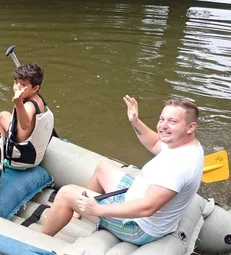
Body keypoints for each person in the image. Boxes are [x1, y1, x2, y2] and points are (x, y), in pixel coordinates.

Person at [41, 96, 204, 245]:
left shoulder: (179, 166)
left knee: (66, 193)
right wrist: (135, 120)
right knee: (103, 167)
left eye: (172, 122)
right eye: (162, 119)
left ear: (190, 127)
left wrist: (98, 209)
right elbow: (155, 143)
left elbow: (147, 208)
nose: (163, 126)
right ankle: (78, 212)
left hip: (138, 226)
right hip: (135, 197)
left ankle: (39, 239)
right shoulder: (186, 145)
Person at [0, 63, 55, 169]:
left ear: (35, 88)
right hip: (33, 157)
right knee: (4, 115)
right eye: (15, 82)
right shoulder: (38, 99)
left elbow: (24, 125)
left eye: (23, 85)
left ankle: (0, 155)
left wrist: (18, 102)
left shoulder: (29, 106)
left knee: (2, 117)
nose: (16, 88)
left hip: (19, 160)